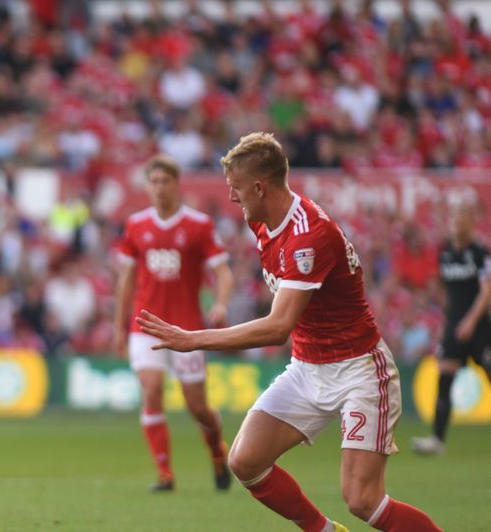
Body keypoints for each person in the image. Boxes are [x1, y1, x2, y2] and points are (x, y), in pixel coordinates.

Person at [136, 132, 440, 531]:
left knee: (363, 501)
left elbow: (278, 327)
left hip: (359, 372)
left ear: (260, 187)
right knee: (245, 461)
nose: (232, 197)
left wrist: (192, 339)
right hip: (308, 367)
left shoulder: (307, 237)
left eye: (237, 188)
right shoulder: (261, 221)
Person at [114, 154, 234, 492]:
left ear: (177, 184)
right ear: (147, 186)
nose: (160, 188)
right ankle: (165, 474)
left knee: (198, 408)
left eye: (166, 181)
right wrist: (118, 326)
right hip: (145, 326)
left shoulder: (199, 226)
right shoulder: (136, 226)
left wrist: (221, 303)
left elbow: (223, 272)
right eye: (154, 182)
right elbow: (126, 279)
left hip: (187, 329)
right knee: (151, 391)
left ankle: (216, 452)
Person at [411, 201, 491, 455]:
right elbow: (447, 290)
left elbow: (486, 291)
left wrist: (470, 320)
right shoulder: (445, 252)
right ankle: (437, 439)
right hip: (454, 326)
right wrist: (449, 318)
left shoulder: (480, 253)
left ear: (472, 221)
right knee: (444, 377)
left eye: (463, 216)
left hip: (479, 327)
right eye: (454, 216)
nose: (457, 222)